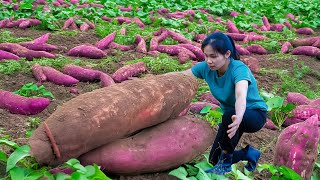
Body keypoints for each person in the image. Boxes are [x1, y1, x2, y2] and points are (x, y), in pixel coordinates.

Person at [178, 32, 268, 175]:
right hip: (231, 118)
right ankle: (249, 154)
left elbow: (240, 95)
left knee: (229, 114)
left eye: (213, 56)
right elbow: (182, 75)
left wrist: (239, 116)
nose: (208, 61)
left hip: (254, 115)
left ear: (227, 54)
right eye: (206, 55)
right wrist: (154, 80)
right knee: (213, 159)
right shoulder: (206, 68)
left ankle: (225, 164)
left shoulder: (239, 69)